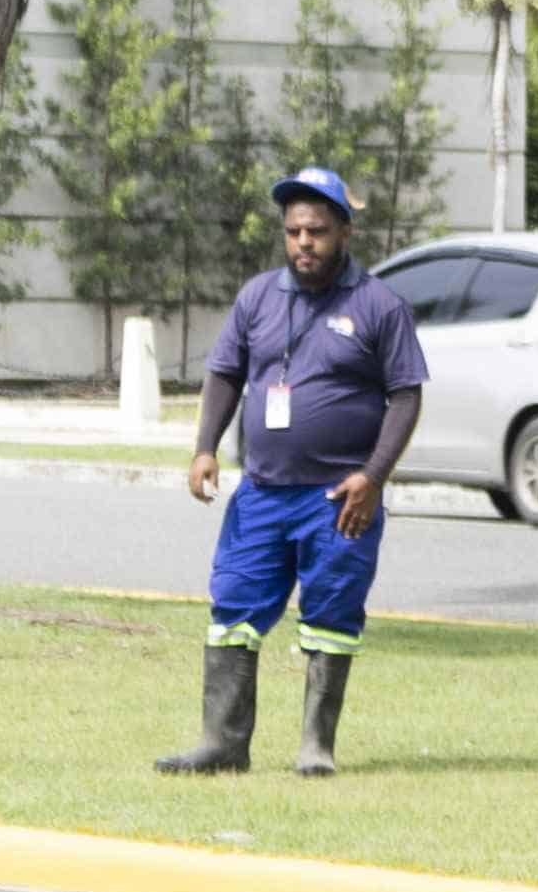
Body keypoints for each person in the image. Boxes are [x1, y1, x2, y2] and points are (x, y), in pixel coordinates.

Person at [154, 168, 426, 778]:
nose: (305, 242)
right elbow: (225, 373)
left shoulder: (379, 305)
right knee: (232, 611)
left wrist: (374, 475)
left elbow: (405, 396)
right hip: (261, 493)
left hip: (339, 498)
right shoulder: (256, 298)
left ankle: (315, 748)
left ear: (345, 233)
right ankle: (222, 743)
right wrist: (205, 448)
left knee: (331, 617)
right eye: (295, 231)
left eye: (318, 231)